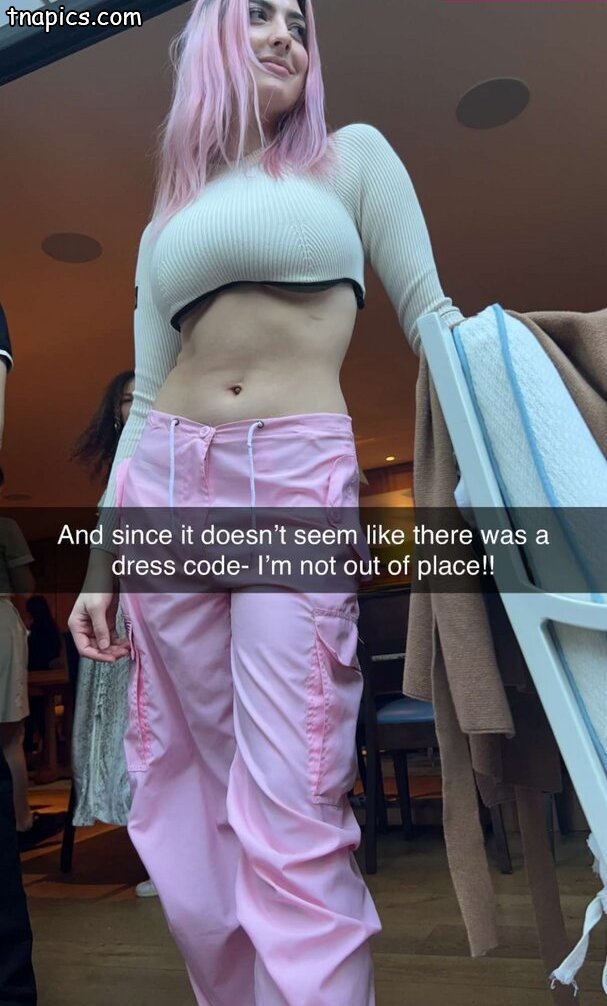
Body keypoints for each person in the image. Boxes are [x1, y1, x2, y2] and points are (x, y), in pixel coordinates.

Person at [68, 1, 465, 1003]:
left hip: (291, 480)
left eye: (299, 21)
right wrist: (100, 567)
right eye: (259, 13)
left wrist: (530, 387)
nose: (287, 32)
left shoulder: (350, 157)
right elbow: (143, 402)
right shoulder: (166, 219)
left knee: (293, 789)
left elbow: (432, 316)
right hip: (166, 488)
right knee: (188, 794)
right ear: (212, 36)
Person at [70, 369, 157, 896]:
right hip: (127, 610)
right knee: (139, 733)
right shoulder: (121, 474)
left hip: (167, 600)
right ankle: (162, 861)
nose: (135, 405)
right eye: (127, 399)